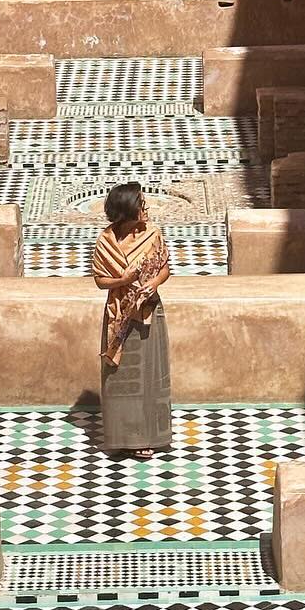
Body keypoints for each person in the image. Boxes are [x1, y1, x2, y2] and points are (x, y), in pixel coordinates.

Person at [92, 182, 173, 459]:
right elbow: (100, 281)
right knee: (121, 376)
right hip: (118, 314)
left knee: (148, 374)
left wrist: (153, 283)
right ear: (128, 209)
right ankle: (121, 436)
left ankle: (148, 436)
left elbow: (165, 268)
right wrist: (123, 280)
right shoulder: (105, 242)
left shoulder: (153, 234)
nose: (146, 207)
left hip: (148, 312)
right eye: (141, 203)